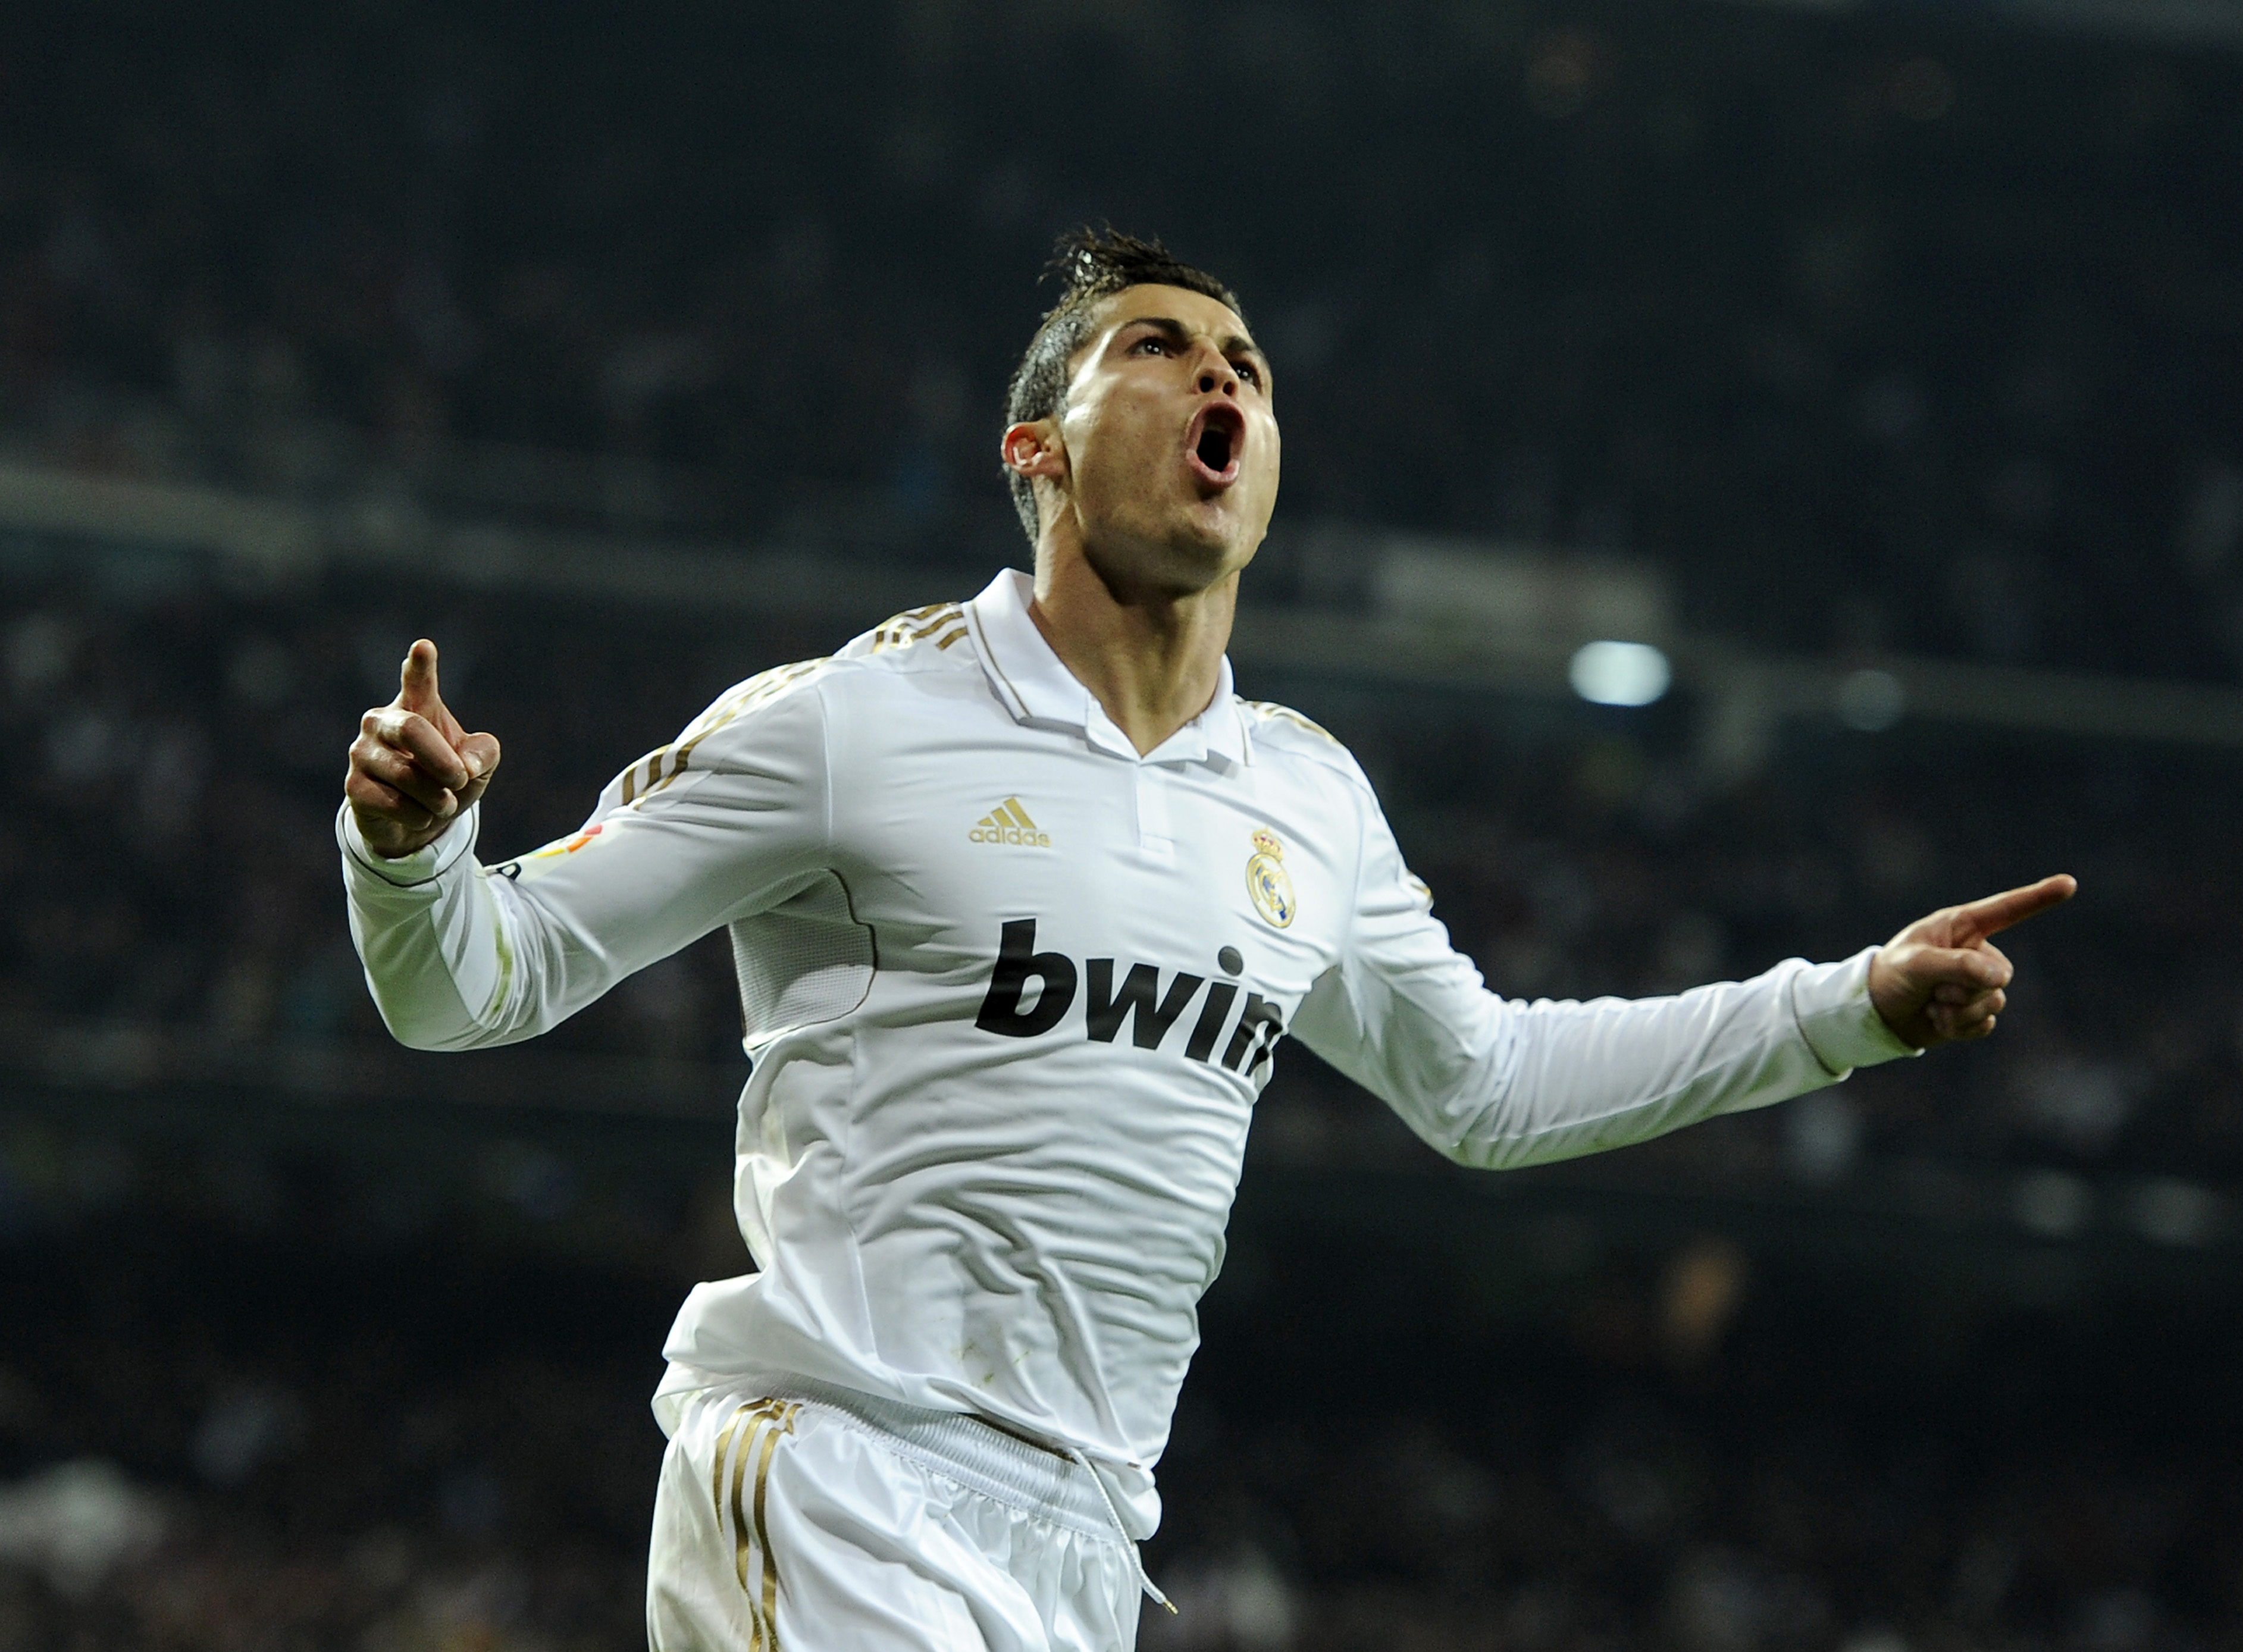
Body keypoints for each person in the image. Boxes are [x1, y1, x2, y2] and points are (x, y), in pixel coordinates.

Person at [340, 229, 2075, 1652]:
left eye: (1244, 359)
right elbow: (475, 986)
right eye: (1160, 347)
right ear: (1036, 449)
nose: (1220, 374)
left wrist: (1845, 1007)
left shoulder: (1305, 799)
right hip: (835, 1476)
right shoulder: (852, 722)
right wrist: (411, 853)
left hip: (1091, 1538)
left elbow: (1490, 1084)